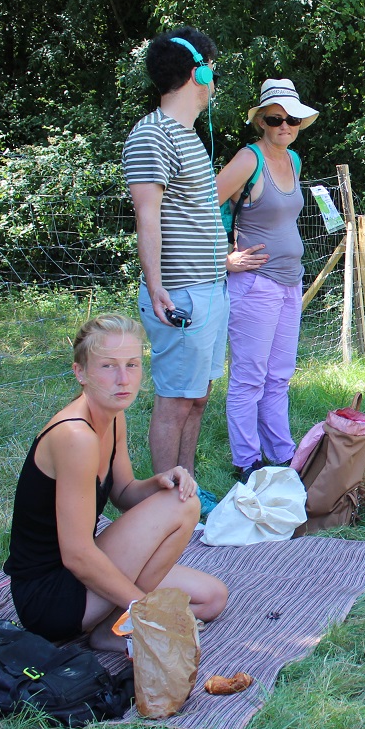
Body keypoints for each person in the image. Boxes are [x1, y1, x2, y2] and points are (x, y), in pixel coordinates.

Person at [5, 314, 228, 652]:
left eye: (133, 364)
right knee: (185, 505)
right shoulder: (75, 436)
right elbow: (77, 555)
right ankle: (124, 622)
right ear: (80, 372)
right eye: (108, 366)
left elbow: (123, 493)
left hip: (82, 575)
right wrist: (146, 610)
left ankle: (112, 627)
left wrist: (160, 481)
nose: (123, 378)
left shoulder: (112, 416)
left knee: (212, 599)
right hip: (50, 597)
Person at [123, 27, 229, 480]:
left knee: (197, 396)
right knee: (175, 399)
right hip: (180, 293)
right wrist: (156, 285)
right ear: (198, 72)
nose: (214, 79)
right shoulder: (152, 135)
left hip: (209, 288)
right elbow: (147, 216)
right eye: (212, 69)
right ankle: (163, 503)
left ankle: (185, 486)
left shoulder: (187, 136)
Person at [215, 78, 318, 480]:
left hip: (290, 281)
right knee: (249, 377)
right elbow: (203, 206)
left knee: (279, 375)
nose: (284, 126)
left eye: (291, 119)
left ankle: (281, 452)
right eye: (275, 119)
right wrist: (223, 259)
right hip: (255, 285)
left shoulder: (292, 160)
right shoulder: (248, 159)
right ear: (261, 121)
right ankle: (247, 460)